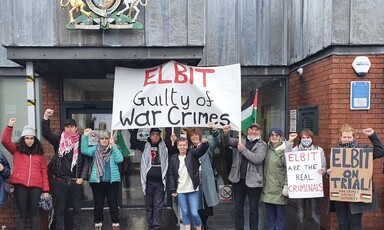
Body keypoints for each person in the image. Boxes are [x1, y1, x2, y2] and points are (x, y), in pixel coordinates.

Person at [327, 124, 384, 230]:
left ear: (353, 137)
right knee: (343, 224)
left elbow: (380, 151)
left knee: (355, 224)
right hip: (341, 195)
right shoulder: (336, 152)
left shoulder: (363, 150)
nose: (346, 139)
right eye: (344, 137)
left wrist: (372, 135)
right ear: (340, 138)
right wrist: (328, 173)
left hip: (356, 195)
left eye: (349, 137)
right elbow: (332, 172)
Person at [42, 108, 90, 230]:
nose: (69, 128)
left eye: (71, 126)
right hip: (60, 181)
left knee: (77, 209)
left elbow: (86, 160)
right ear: (64, 128)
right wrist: (46, 118)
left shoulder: (81, 140)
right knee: (59, 210)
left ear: (75, 128)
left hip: (75, 182)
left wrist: (82, 177)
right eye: (67, 126)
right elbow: (46, 133)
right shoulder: (59, 140)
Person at [1, 118, 49, 230]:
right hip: (20, 186)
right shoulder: (16, 150)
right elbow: (4, 141)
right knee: (22, 214)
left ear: (34, 139)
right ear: (23, 139)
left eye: (31, 138)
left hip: (36, 187)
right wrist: (9, 126)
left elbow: (44, 172)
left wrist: (46, 190)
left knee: (34, 213)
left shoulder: (39, 154)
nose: (29, 140)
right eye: (27, 138)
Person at [222, 123, 267, 230]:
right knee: (238, 209)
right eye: (251, 129)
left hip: (254, 182)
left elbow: (257, 159)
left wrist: (243, 149)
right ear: (248, 130)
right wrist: (225, 133)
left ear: (259, 132)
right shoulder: (241, 140)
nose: (253, 132)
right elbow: (227, 142)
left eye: (256, 130)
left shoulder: (263, 145)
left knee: (253, 210)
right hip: (238, 180)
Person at [82, 128, 124, 230]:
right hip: (98, 182)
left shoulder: (114, 148)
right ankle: (98, 224)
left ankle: (115, 223)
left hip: (111, 182)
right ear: (99, 139)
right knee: (98, 204)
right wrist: (85, 136)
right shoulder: (95, 149)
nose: (104, 140)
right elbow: (84, 150)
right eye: (102, 138)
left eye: (106, 138)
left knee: (113, 204)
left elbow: (120, 159)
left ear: (109, 139)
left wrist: (113, 145)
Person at [285, 129, 326, 230]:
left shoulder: (318, 150)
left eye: (308, 137)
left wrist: (323, 171)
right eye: (303, 138)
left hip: (314, 186)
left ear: (312, 138)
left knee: (314, 213)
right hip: (300, 187)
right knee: (300, 212)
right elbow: (286, 160)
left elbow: (324, 166)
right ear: (300, 139)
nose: (305, 139)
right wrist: (290, 142)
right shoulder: (295, 150)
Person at [130, 128, 169, 230]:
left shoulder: (165, 146)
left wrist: (171, 136)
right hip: (149, 183)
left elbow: (174, 147)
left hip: (160, 182)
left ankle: (156, 227)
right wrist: (135, 129)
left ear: (160, 135)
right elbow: (133, 141)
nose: (155, 136)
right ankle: (150, 225)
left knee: (158, 206)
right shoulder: (145, 145)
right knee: (149, 206)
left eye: (157, 134)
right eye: (153, 134)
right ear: (150, 135)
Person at [168, 137, 209, 230]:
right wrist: (172, 189)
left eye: (184, 145)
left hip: (192, 189)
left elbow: (202, 150)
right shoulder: (174, 158)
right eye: (180, 145)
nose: (182, 147)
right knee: (185, 212)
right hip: (181, 190)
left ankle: (199, 228)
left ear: (187, 146)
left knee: (194, 213)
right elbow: (171, 175)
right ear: (177, 146)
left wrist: (205, 143)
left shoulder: (192, 154)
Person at [186, 123, 220, 230]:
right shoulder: (188, 148)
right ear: (189, 137)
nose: (195, 137)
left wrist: (214, 129)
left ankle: (204, 223)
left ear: (199, 136)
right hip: (194, 179)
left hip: (206, 178)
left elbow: (216, 140)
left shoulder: (206, 145)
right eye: (192, 135)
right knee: (197, 202)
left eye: (196, 135)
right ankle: (199, 223)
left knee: (206, 202)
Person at [260, 128, 288, 230]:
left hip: (279, 190)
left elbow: (288, 170)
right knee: (270, 218)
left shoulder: (285, 150)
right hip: (268, 189)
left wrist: (286, 185)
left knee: (280, 218)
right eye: (272, 135)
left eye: (276, 135)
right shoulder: (266, 149)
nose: (274, 137)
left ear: (280, 136)